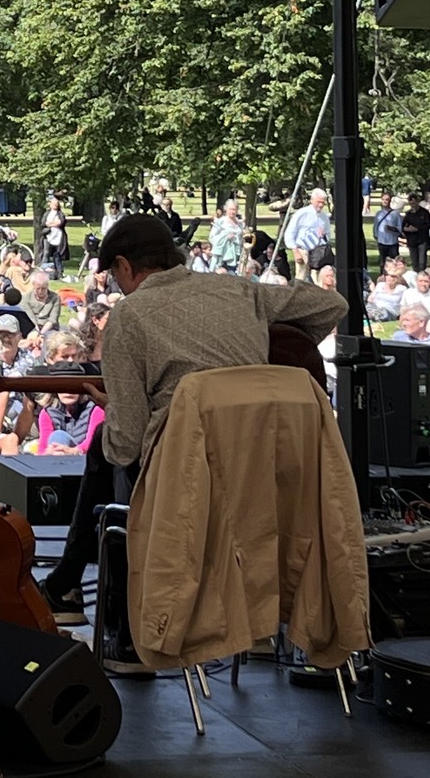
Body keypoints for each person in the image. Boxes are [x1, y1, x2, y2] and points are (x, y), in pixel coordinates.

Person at [37, 213, 345, 624]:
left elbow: (127, 443)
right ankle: (71, 588)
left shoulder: (130, 315)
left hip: (188, 476)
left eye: (115, 274)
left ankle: (119, 623)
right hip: (266, 468)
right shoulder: (239, 290)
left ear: (125, 265)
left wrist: (116, 407)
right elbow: (333, 304)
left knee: (106, 449)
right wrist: (275, 350)